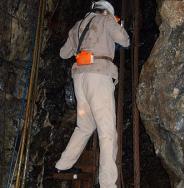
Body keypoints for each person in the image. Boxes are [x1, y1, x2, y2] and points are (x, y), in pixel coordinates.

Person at [55, 1, 130, 188]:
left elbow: (64, 53)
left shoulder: (78, 25)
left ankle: (62, 166)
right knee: (107, 132)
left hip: (80, 79)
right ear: (108, 12)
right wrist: (115, 23)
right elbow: (124, 40)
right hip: (99, 77)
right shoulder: (106, 20)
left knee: (85, 126)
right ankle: (107, 183)